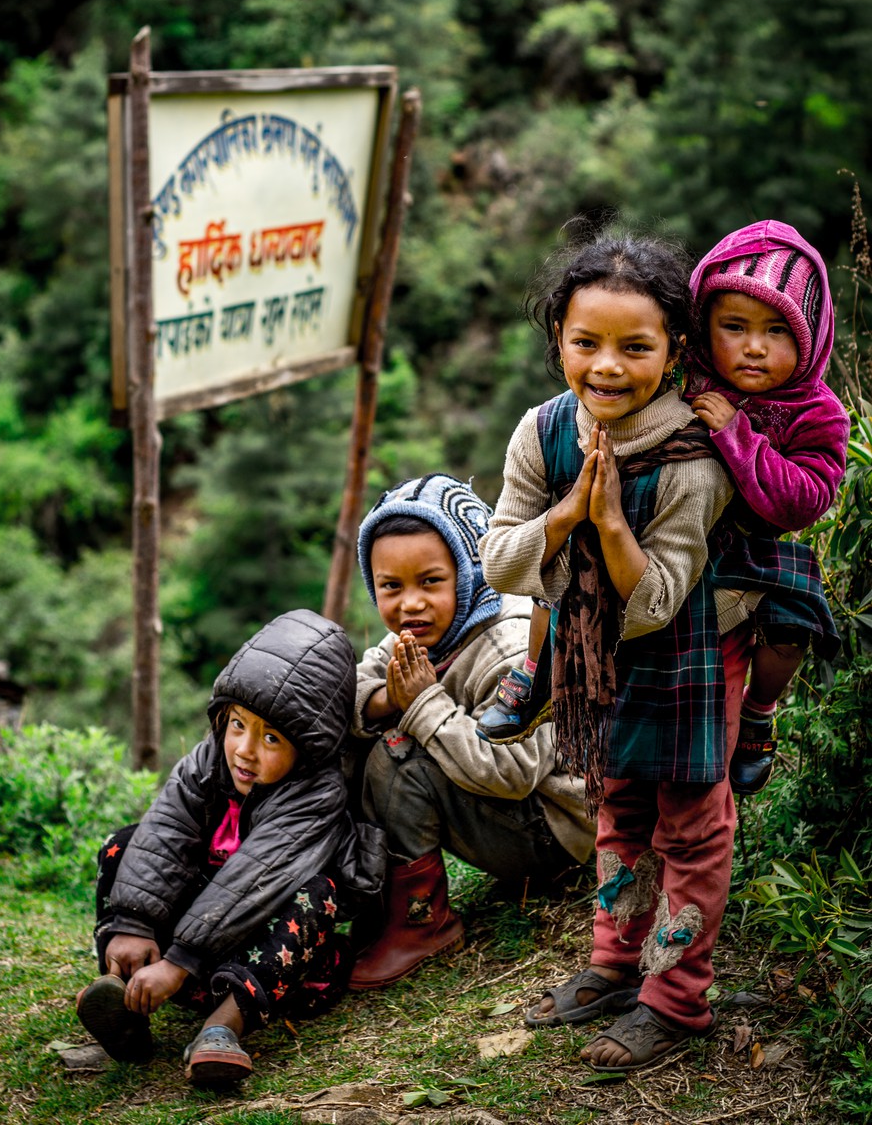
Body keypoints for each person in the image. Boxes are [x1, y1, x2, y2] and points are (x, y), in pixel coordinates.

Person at [479, 225, 751, 1072]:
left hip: (691, 656)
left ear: (674, 352)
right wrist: (565, 517)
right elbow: (499, 560)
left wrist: (606, 524)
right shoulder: (545, 431)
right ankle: (613, 963)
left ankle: (676, 1001)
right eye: (584, 342)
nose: (606, 366)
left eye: (635, 347)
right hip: (599, 663)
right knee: (618, 803)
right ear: (557, 337)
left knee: (693, 827)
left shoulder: (690, 461)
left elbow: (659, 602)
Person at [75, 609, 384, 1089]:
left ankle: (221, 1030)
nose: (245, 749)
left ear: (309, 746)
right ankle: (127, 1003)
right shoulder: (208, 760)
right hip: (184, 958)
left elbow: (253, 881)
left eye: (272, 737)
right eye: (238, 724)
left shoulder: (315, 794)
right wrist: (134, 923)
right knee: (125, 844)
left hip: (266, 967)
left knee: (315, 893)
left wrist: (180, 963)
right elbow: (166, 834)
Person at [347, 472, 595, 991]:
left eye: (431, 582)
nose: (409, 604)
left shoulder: (511, 647)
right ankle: (374, 905)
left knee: (397, 760)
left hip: (557, 830)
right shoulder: (427, 634)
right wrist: (392, 696)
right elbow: (352, 689)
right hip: (515, 814)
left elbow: (514, 772)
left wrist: (421, 703)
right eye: (391, 586)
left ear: (470, 572)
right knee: (357, 741)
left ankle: (422, 923)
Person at [687, 220, 848, 793]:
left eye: (778, 331)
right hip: (676, 549)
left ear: (811, 338)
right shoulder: (689, 378)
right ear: (704, 326)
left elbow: (805, 499)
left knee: (791, 628)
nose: (754, 347)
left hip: (755, 550)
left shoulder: (816, 410)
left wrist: (739, 437)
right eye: (734, 327)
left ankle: (760, 709)